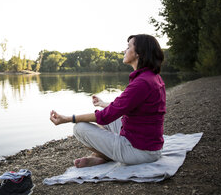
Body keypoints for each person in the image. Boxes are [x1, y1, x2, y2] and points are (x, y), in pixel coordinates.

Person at [50, 34, 166, 167]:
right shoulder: (152, 77)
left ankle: (105, 156)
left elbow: (105, 117)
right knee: (111, 116)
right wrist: (103, 104)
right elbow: (126, 106)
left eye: (128, 47)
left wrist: (67, 119)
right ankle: (103, 155)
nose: (124, 51)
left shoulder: (141, 83)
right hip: (150, 148)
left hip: (140, 152)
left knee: (79, 128)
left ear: (139, 53)